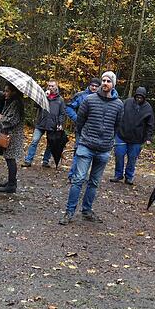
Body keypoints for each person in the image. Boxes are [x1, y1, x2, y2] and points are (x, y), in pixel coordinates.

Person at [60, 71, 124, 224]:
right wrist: (84, 138)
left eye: (109, 80)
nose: (105, 83)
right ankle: (69, 212)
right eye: (103, 80)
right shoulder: (89, 100)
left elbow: (117, 126)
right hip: (86, 145)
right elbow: (80, 121)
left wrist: (108, 140)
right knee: (78, 180)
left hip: (104, 149)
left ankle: (87, 210)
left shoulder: (119, 104)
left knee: (94, 182)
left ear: (113, 84)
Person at [111, 86, 154, 185]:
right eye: (137, 97)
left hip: (137, 139)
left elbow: (150, 124)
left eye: (141, 97)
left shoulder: (148, 108)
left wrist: (148, 138)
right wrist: (115, 129)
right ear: (135, 96)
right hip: (122, 134)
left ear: (144, 98)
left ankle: (129, 176)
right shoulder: (127, 102)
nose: (139, 99)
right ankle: (118, 175)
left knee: (132, 158)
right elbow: (118, 115)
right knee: (119, 155)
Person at [23, 80, 66, 168]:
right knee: (34, 141)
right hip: (41, 123)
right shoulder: (43, 96)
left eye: (53, 86)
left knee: (50, 144)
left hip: (52, 125)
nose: (51, 88)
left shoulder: (60, 100)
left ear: (56, 87)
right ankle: (28, 160)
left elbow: (62, 113)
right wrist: (42, 98)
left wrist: (60, 123)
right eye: (49, 86)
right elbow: (36, 106)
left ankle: (45, 161)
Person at [65, 78, 100, 182]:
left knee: (91, 153)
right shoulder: (80, 96)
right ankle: (72, 175)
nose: (94, 87)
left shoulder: (102, 97)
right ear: (89, 85)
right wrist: (77, 119)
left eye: (96, 86)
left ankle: (82, 175)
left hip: (95, 131)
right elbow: (69, 107)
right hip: (81, 129)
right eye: (92, 85)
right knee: (78, 152)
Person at [0, 82, 25, 194]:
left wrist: (0, 117)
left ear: (14, 92)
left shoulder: (16, 104)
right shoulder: (11, 102)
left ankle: (12, 184)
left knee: (10, 159)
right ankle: (10, 181)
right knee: (8, 158)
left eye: (7, 91)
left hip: (13, 136)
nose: (5, 93)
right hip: (10, 134)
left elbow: (11, 120)